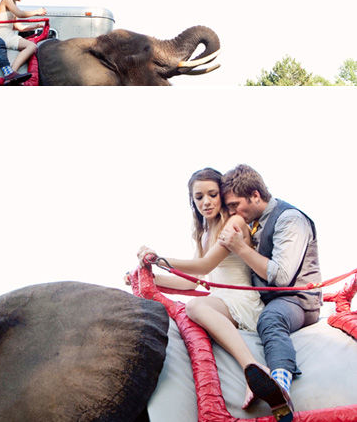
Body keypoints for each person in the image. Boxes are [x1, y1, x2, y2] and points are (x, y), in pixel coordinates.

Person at [136, 167, 266, 410]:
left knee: (195, 306)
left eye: (212, 194)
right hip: (220, 300)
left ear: (222, 195)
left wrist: (159, 259)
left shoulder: (234, 222)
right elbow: (191, 280)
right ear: (192, 201)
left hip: (241, 299)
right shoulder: (204, 233)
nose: (206, 202)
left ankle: (252, 367)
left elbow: (206, 264)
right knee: (192, 308)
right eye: (199, 197)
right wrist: (149, 277)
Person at [219, 164, 322, 422]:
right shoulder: (253, 224)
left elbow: (282, 276)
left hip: (296, 301)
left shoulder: (290, 218)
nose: (231, 212)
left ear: (255, 195)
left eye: (234, 205)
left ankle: (281, 386)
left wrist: (240, 248)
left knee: (271, 319)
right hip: (267, 300)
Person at [0, 0, 47, 73]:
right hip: (3, 35)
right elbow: (20, 14)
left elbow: (20, 27)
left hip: (8, 34)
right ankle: (13, 71)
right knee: (31, 46)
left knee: (31, 45)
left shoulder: (12, 4)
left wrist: (37, 25)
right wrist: (37, 12)